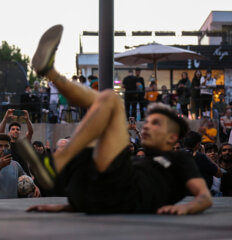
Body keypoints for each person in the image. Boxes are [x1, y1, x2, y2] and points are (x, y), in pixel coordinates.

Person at [17, 24, 212, 215]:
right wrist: (68, 207)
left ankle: (56, 162)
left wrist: (189, 207)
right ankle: (49, 71)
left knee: (111, 100)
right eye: (149, 121)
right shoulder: (139, 158)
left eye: (156, 123)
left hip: (125, 194)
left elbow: (204, 196)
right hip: (93, 193)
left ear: (172, 137)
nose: (146, 126)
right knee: (101, 102)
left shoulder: (179, 159)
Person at [0, 134, 40, 199]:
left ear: (10, 148)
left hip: (12, 206)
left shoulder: (15, 165)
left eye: (6, 146)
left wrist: (35, 187)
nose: (3, 149)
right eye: (0, 146)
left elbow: (26, 179)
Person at [0, 109, 33, 175]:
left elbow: (30, 132)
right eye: (13, 129)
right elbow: (1, 132)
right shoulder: (6, 144)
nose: (15, 131)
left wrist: (27, 119)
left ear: (20, 132)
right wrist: (6, 116)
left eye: (17, 129)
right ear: (9, 132)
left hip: (24, 176)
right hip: (10, 175)